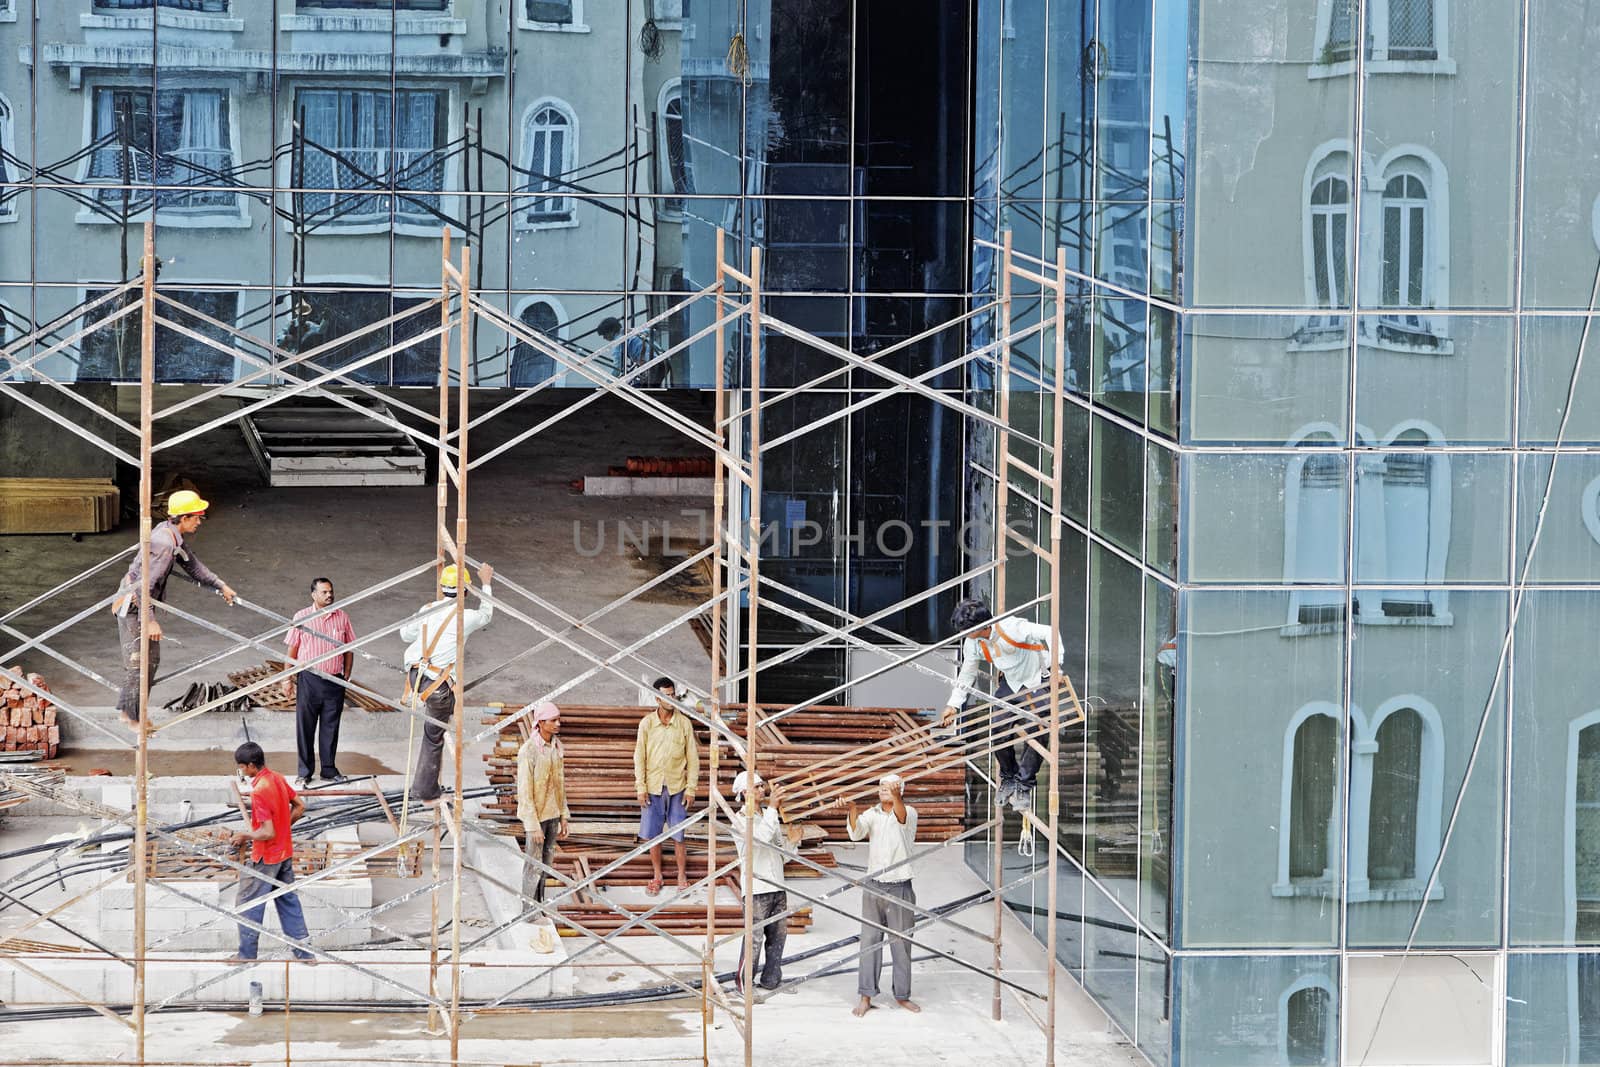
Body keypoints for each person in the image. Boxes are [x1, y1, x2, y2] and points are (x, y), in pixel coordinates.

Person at [111, 489, 237, 729]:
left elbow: (194, 566)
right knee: (139, 662)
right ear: (185, 518)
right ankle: (132, 716)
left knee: (151, 660)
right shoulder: (164, 544)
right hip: (134, 605)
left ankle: (133, 713)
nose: (200, 522)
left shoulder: (171, 536)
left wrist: (221, 585)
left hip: (141, 605)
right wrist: (150, 621)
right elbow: (142, 587)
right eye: (197, 517)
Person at [939, 596, 1062, 813]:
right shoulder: (973, 643)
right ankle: (1009, 777)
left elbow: (1049, 632)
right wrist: (953, 705)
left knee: (1038, 729)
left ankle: (1025, 783)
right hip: (1011, 683)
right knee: (997, 729)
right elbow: (967, 674)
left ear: (982, 625)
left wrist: (1055, 667)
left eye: (968, 630)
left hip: (1034, 679)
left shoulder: (1011, 626)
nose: (966, 635)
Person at [400, 562, 495, 806]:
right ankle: (427, 792)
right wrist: (485, 583)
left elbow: (405, 634)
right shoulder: (467, 617)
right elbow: (487, 614)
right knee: (434, 737)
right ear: (465, 591)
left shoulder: (428, 608)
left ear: (443, 588)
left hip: (415, 677)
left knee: (431, 732)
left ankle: (423, 785)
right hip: (438, 686)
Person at [228, 742, 313, 963]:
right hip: (284, 852)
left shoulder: (259, 791)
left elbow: (266, 832)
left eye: (242, 767)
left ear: (251, 766)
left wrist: (244, 836)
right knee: (288, 901)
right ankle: (304, 953)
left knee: (247, 902)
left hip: (267, 857)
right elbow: (300, 806)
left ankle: (246, 955)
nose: (241, 771)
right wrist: (284, 828)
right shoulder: (277, 777)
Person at [849, 773, 919, 1016]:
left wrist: (897, 795)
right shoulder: (872, 814)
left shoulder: (909, 812)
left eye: (889, 788)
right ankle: (866, 995)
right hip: (874, 885)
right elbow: (856, 833)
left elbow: (900, 817)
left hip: (899, 885)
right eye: (880, 787)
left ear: (900, 791)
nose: (883, 790)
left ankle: (902, 995)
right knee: (869, 942)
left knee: (901, 943)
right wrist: (852, 809)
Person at [284, 577, 355, 789]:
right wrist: (287, 678)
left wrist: (346, 675)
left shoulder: (342, 617)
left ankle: (328, 770)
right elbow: (292, 650)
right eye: (324, 592)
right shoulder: (302, 617)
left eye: (330, 591)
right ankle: (304, 772)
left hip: (334, 680)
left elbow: (350, 647)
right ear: (313, 594)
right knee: (305, 727)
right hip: (309, 679)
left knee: (330, 727)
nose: (329, 595)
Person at [633, 676, 699, 896]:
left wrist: (691, 788)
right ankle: (657, 875)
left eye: (672, 695)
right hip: (652, 786)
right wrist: (640, 787)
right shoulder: (647, 724)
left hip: (677, 786)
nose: (670, 699)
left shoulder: (684, 724)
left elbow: (693, 758)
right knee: (653, 835)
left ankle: (681, 875)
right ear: (656, 698)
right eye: (665, 696)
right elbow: (639, 757)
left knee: (679, 834)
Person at [732, 769, 790, 994]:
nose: (761, 789)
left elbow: (778, 850)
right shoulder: (740, 820)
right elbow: (761, 840)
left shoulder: (767, 815)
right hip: (757, 888)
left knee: (778, 937)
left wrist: (792, 844)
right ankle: (743, 986)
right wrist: (774, 809)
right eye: (756, 787)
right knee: (753, 940)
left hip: (777, 885)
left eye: (761, 785)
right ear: (744, 792)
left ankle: (771, 980)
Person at [515, 700, 570, 906]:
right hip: (537, 818)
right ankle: (528, 909)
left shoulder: (556, 747)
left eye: (558, 719)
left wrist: (564, 816)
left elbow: (560, 785)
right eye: (553, 720)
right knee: (533, 865)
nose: (558, 724)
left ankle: (539, 904)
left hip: (552, 814)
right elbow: (525, 791)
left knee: (546, 863)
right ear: (540, 723)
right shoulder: (529, 751)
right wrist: (533, 825)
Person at [598, 316, 667, 387]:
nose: (604, 338)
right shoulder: (631, 332)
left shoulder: (619, 341)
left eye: (604, 334)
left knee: (644, 392)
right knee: (650, 389)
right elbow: (653, 331)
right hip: (663, 361)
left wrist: (606, 384)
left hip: (652, 364)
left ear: (611, 331)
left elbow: (617, 368)